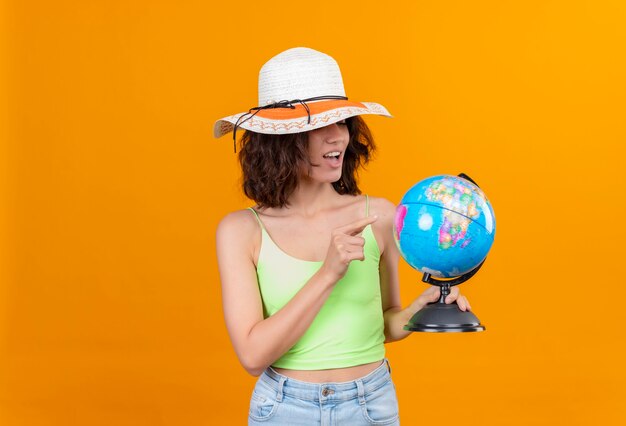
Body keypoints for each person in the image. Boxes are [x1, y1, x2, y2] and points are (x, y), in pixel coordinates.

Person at [214, 47, 471, 425]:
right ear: (281, 141)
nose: (338, 138)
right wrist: (328, 273)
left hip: (371, 404)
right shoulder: (241, 231)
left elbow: (385, 324)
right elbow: (253, 356)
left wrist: (425, 307)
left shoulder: (379, 215)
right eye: (320, 127)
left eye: (343, 122)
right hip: (285, 409)